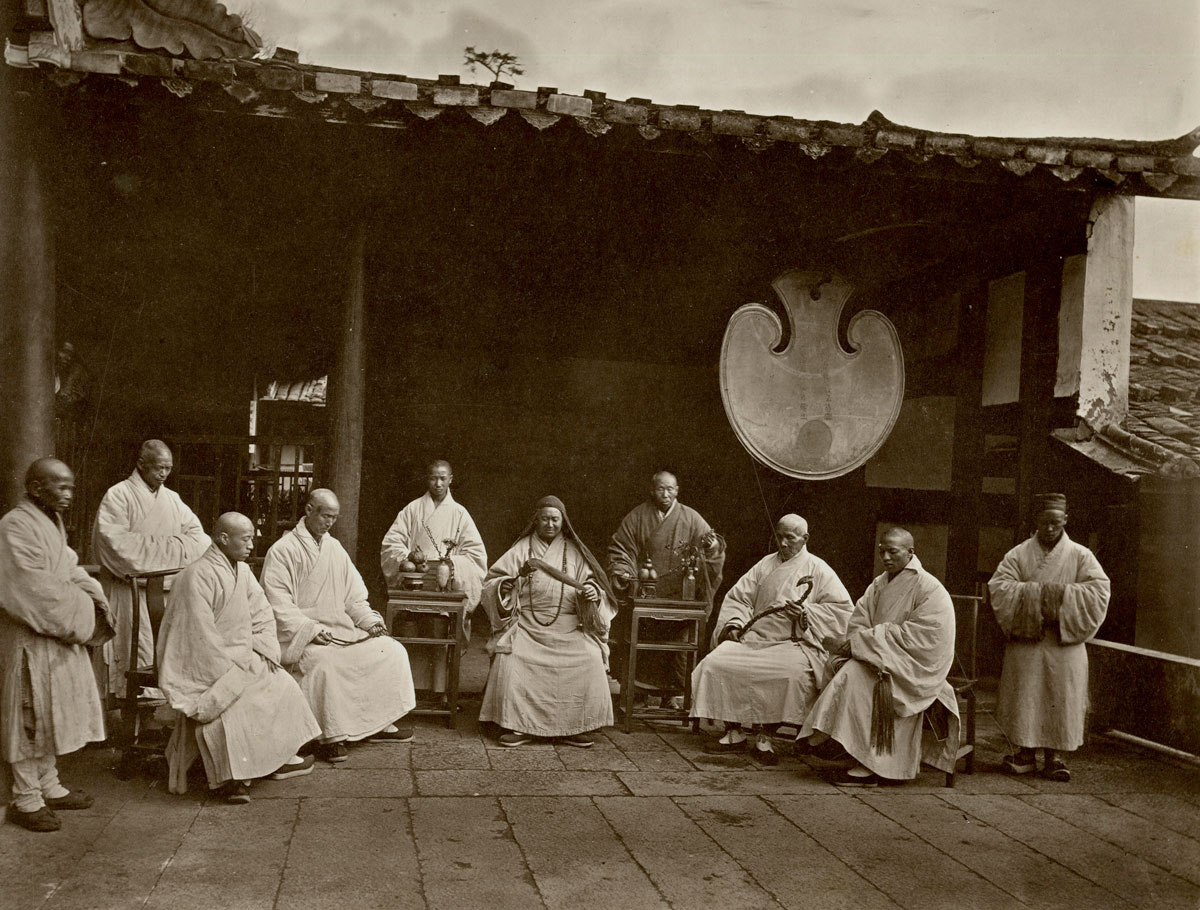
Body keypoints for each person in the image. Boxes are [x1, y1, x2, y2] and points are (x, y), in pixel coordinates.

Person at [157, 512, 321, 803]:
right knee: (238, 703)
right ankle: (231, 779)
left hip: (244, 657)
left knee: (282, 685)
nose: (252, 544)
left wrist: (262, 652)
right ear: (223, 539)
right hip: (208, 666)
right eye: (245, 538)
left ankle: (275, 758)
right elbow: (197, 637)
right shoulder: (196, 576)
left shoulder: (242, 572)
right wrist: (234, 671)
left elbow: (261, 616)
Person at [0, 459, 114, 832]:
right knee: (29, 716)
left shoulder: (50, 522)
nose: (68, 494)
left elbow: (68, 568)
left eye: (70, 487)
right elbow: (35, 591)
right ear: (35, 488)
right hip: (29, 637)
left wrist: (88, 594)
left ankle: (49, 784)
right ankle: (26, 797)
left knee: (51, 714)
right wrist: (85, 611)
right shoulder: (15, 526)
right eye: (60, 487)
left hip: (56, 636)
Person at [261, 489, 416, 762]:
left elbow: (354, 596)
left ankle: (379, 723)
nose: (330, 523)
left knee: (391, 651)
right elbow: (277, 604)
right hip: (305, 635)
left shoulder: (334, 548)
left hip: (340, 628)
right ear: (309, 511)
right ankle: (331, 735)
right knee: (325, 665)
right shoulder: (282, 551)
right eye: (326, 516)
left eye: (334, 517)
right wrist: (310, 630)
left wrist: (369, 622)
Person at [798, 528, 960, 787]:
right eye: (881, 551)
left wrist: (867, 645)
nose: (885, 557)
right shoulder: (879, 584)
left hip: (912, 666)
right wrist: (865, 646)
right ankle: (848, 748)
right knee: (844, 668)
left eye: (892, 551)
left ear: (910, 552)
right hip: (880, 659)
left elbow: (924, 638)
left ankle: (867, 763)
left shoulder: (930, 589)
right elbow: (858, 622)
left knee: (854, 675)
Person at [692, 515, 853, 765]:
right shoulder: (765, 565)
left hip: (792, 642)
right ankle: (733, 731)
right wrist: (735, 623)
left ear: (805, 539)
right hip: (754, 638)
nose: (784, 543)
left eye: (791, 537)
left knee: (790, 675)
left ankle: (765, 735)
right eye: (780, 536)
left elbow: (842, 611)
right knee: (716, 663)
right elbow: (740, 598)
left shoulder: (818, 569)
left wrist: (806, 614)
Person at [989, 493, 1110, 782]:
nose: (1050, 528)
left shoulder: (1081, 555)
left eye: (1056, 522)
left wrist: (1053, 597)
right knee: (1026, 696)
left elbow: (1099, 591)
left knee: (1061, 697)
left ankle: (1055, 756)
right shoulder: (1018, 554)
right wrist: (1040, 596)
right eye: (1045, 522)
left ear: (1066, 520)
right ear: (1036, 522)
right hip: (1027, 642)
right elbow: (1000, 586)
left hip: (1063, 642)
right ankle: (1025, 753)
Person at [479, 495, 616, 747]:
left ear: (563, 522)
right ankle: (519, 727)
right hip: (528, 624)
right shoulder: (521, 549)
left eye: (555, 519)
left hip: (569, 624)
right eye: (544, 519)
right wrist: (511, 581)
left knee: (589, 657)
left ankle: (575, 726)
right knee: (511, 658)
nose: (550, 524)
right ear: (536, 520)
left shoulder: (574, 551)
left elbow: (592, 582)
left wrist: (592, 592)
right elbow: (491, 583)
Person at [92, 439, 210, 700]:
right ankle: (127, 719)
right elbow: (117, 546)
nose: (164, 474)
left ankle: (155, 718)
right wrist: (174, 548)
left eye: (168, 468)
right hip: (128, 592)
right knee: (131, 653)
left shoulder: (173, 499)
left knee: (162, 654)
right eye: (158, 467)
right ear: (141, 464)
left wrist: (154, 547)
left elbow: (200, 541)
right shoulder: (119, 495)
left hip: (164, 595)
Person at [606, 471, 726, 696]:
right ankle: (637, 693)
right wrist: (623, 571)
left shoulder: (691, 518)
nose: (665, 494)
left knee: (677, 648)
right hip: (646, 594)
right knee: (640, 645)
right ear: (652, 490)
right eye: (660, 489)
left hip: (680, 597)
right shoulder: (638, 516)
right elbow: (621, 548)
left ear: (677, 490)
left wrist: (710, 547)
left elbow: (712, 546)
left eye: (670, 489)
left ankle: (673, 694)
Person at [380, 460, 487, 691]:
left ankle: (441, 693)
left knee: (441, 635)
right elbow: (391, 543)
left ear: (451, 479)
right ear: (426, 479)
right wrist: (407, 559)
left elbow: (476, 555)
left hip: (444, 592)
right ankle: (410, 694)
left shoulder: (460, 514)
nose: (438, 483)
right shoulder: (412, 510)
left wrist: (452, 565)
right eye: (432, 478)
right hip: (415, 587)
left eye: (442, 478)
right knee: (409, 634)